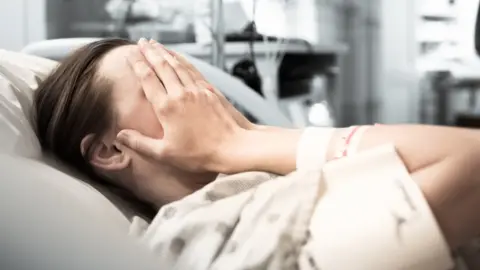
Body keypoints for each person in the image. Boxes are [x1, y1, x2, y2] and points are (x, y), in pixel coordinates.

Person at [33, 37, 480, 268]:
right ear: (111, 151)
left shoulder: (267, 173)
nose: (200, 94)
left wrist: (249, 139)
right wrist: (239, 141)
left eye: (185, 72)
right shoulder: (209, 234)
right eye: (162, 82)